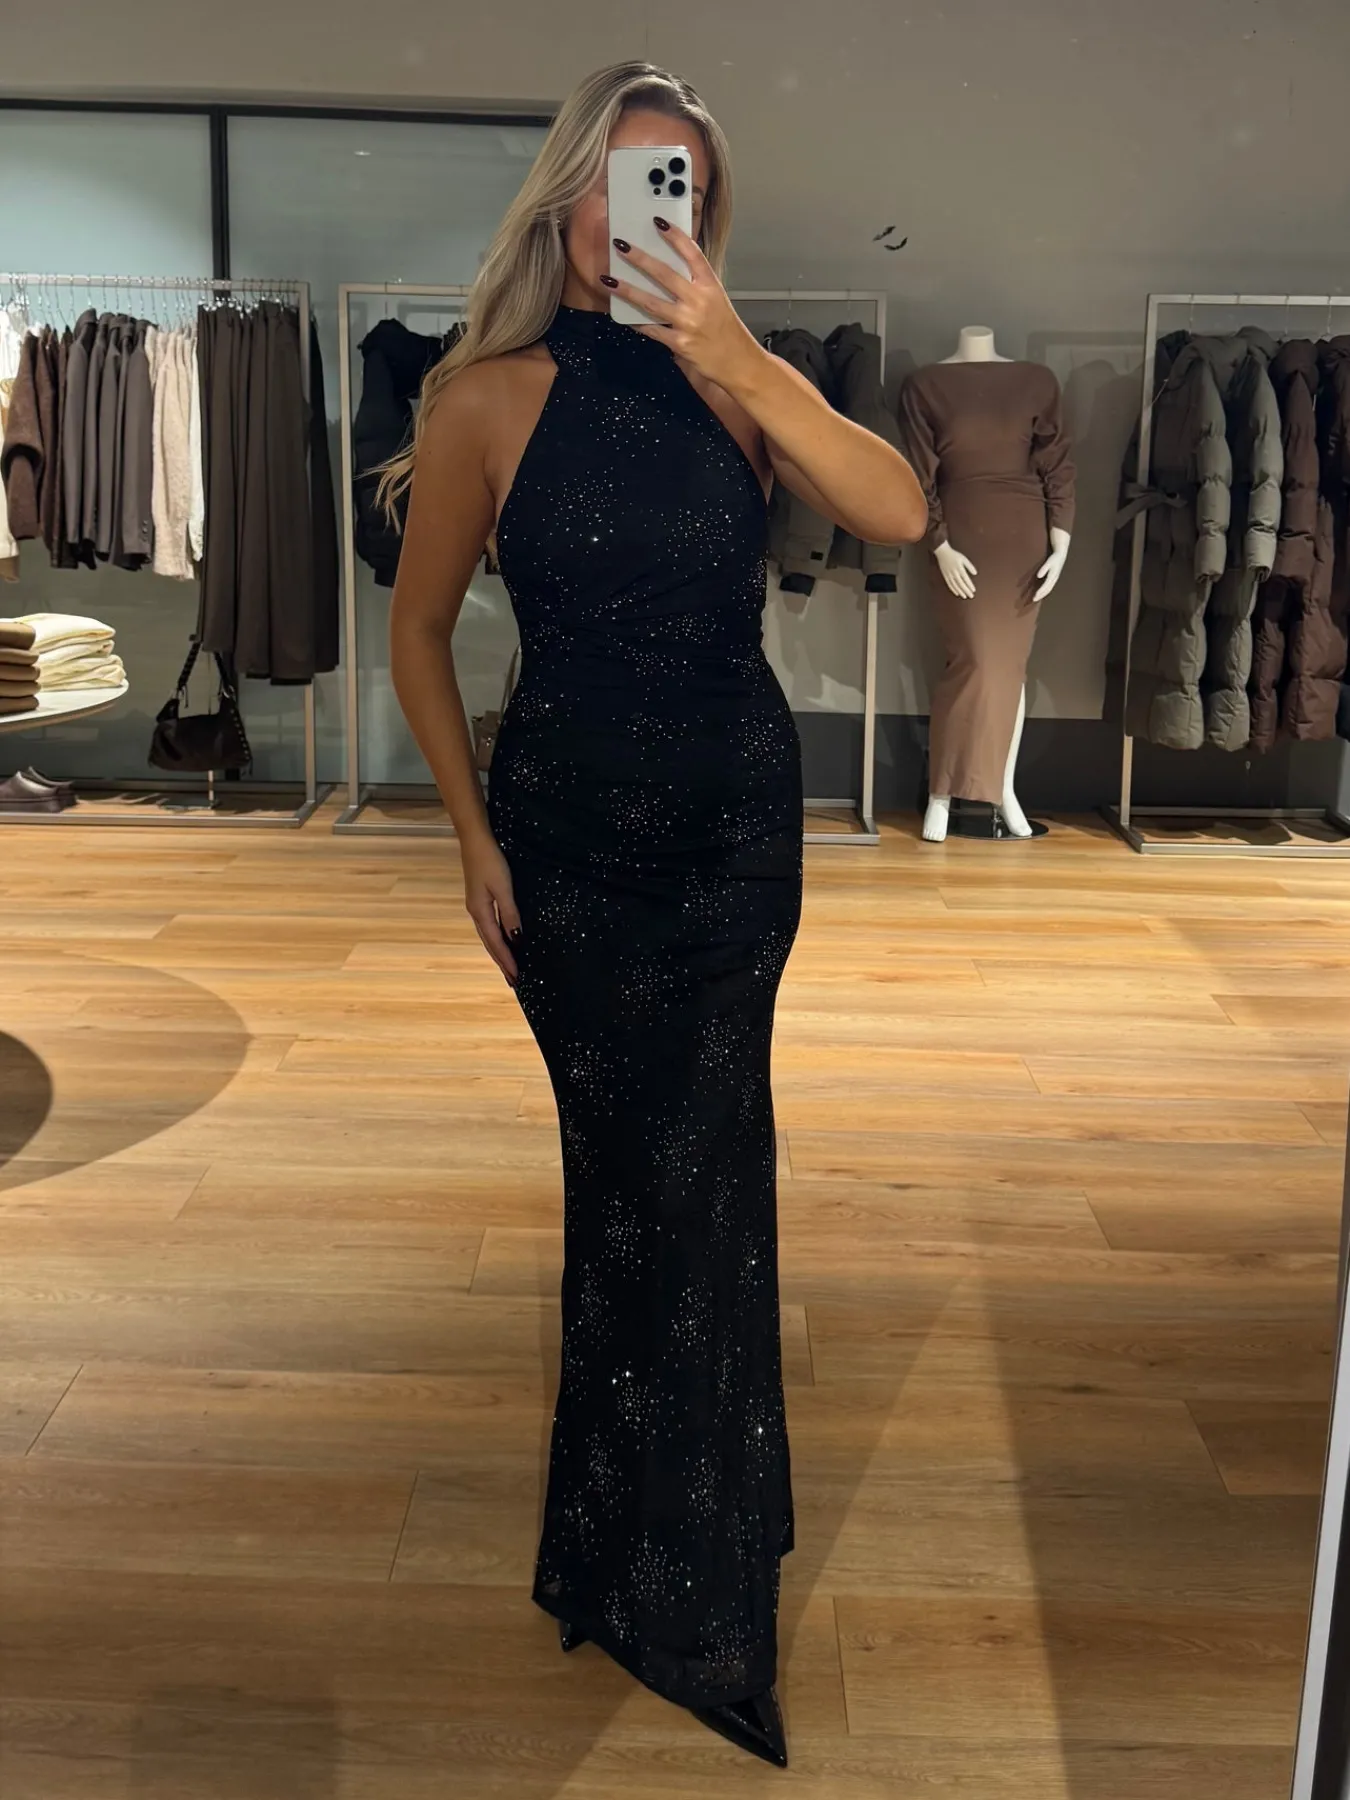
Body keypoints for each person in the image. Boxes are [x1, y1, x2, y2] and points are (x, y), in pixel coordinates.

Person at [385, 60, 925, 1769]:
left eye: (674, 183)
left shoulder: (740, 380)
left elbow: (899, 510)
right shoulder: (485, 399)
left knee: (708, 1181)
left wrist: (735, 354)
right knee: (639, 1195)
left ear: (701, 213)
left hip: (730, 841)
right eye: (621, 179)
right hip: (569, 851)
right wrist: (468, 835)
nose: (642, 211)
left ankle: (672, 1561)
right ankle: (651, 1561)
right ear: (565, 199)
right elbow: (416, 633)